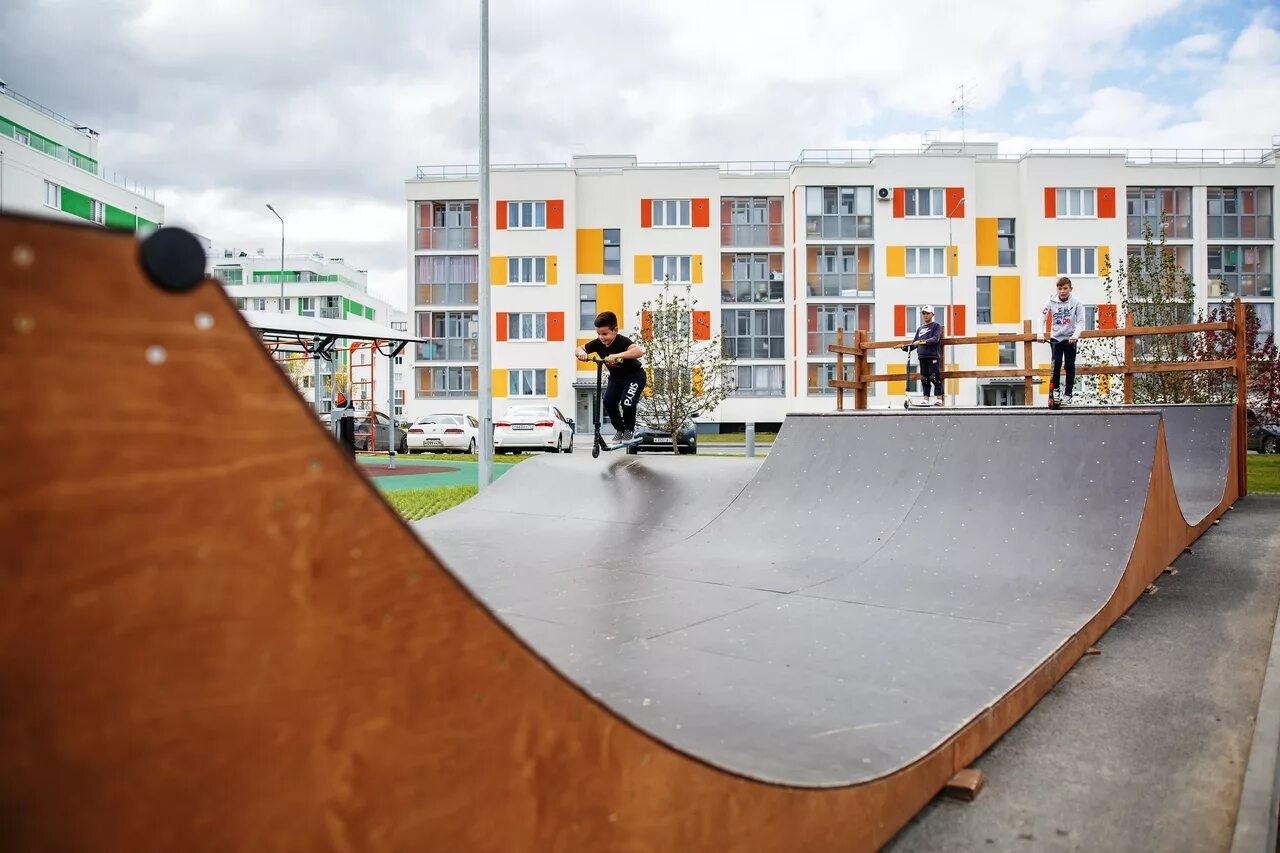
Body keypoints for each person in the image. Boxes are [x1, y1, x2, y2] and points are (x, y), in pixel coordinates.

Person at [575, 311, 646, 441]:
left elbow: (639, 351)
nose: (602, 337)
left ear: (615, 330)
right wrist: (581, 353)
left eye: (605, 334)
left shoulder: (622, 341)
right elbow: (579, 348)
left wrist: (618, 355)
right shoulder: (598, 343)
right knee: (608, 402)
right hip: (616, 379)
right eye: (599, 334)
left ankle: (629, 430)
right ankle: (620, 429)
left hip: (634, 377)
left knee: (627, 402)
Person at [1041, 276, 1086, 404]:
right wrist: (1040, 333)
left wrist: (1076, 335)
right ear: (1057, 289)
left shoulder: (1076, 302)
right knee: (1056, 364)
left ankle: (1068, 394)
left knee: (1069, 366)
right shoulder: (1051, 301)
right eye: (1060, 288)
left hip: (1070, 338)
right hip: (1056, 337)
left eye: (1065, 288)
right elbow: (1042, 317)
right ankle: (1055, 390)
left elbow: (1081, 321)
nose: (1062, 291)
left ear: (1070, 289)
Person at [901, 305, 944, 406]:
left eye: (927, 313)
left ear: (932, 314)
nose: (925, 315)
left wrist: (922, 341)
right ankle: (926, 399)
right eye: (923, 313)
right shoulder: (920, 328)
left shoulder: (936, 326)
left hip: (932, 355)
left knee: (934, 377)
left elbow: (935, 339)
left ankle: (939, 400)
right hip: (922, 356)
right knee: (924, 378)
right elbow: (914, 343)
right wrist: (905, 347)